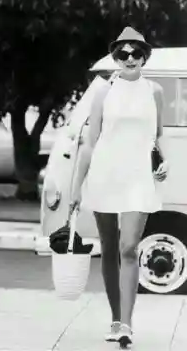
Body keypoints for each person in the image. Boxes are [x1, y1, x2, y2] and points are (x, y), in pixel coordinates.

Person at [71, 27, 168, 348]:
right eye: (123, 53)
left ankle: (127, 324)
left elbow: (158, 133)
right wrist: (75, 188)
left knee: (129, 248)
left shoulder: (154, 91)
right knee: (110, 248)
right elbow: (89, 141)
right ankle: (115, 318)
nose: (130, 58)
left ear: (145, 56)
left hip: (138, 176)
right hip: (105, 174)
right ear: (115, 58)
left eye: (136, 52)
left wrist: (164, 160)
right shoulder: (103, 92)